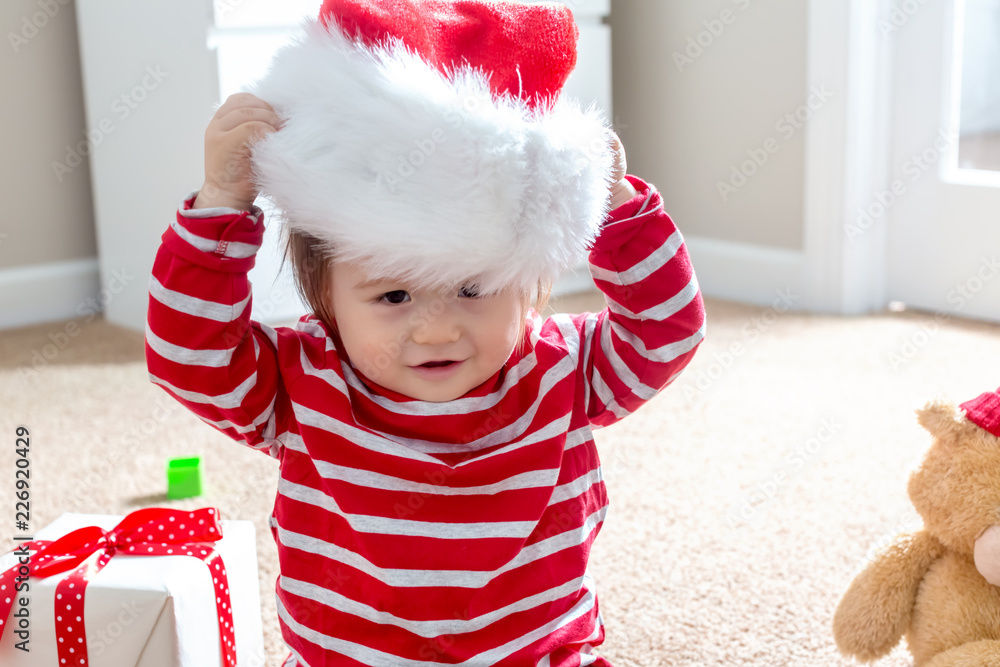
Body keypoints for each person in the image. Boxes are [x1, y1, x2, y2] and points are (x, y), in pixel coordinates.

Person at [146, 1, 706, 664]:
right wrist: (220, 204)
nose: (437, 328)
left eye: (474, 288)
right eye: (393, 295)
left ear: (526, 277)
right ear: (325, 296)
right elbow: (190, 358)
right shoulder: (301, 380)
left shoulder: (565, 368)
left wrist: (615, 209)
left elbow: (666, 330)